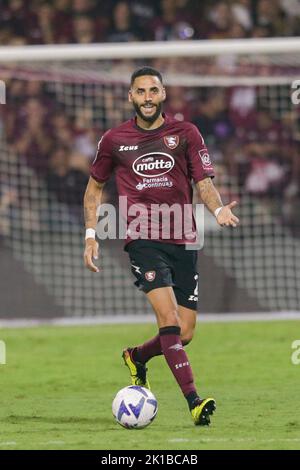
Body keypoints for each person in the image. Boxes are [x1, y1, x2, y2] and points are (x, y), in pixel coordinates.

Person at [83, 66, 239, 426]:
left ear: (163, 94)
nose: (148, 97)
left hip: (183, 238)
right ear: (131, 97)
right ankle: (194, 402)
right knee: (168, 318)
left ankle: (137, 356)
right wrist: (91, 235)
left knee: (184, 332)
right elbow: (94, 189)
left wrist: (217, 209)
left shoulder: (186, 133)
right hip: (142, 239)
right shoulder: (113, 140)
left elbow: (203, 182)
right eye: (141, 92)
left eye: (153, 90)